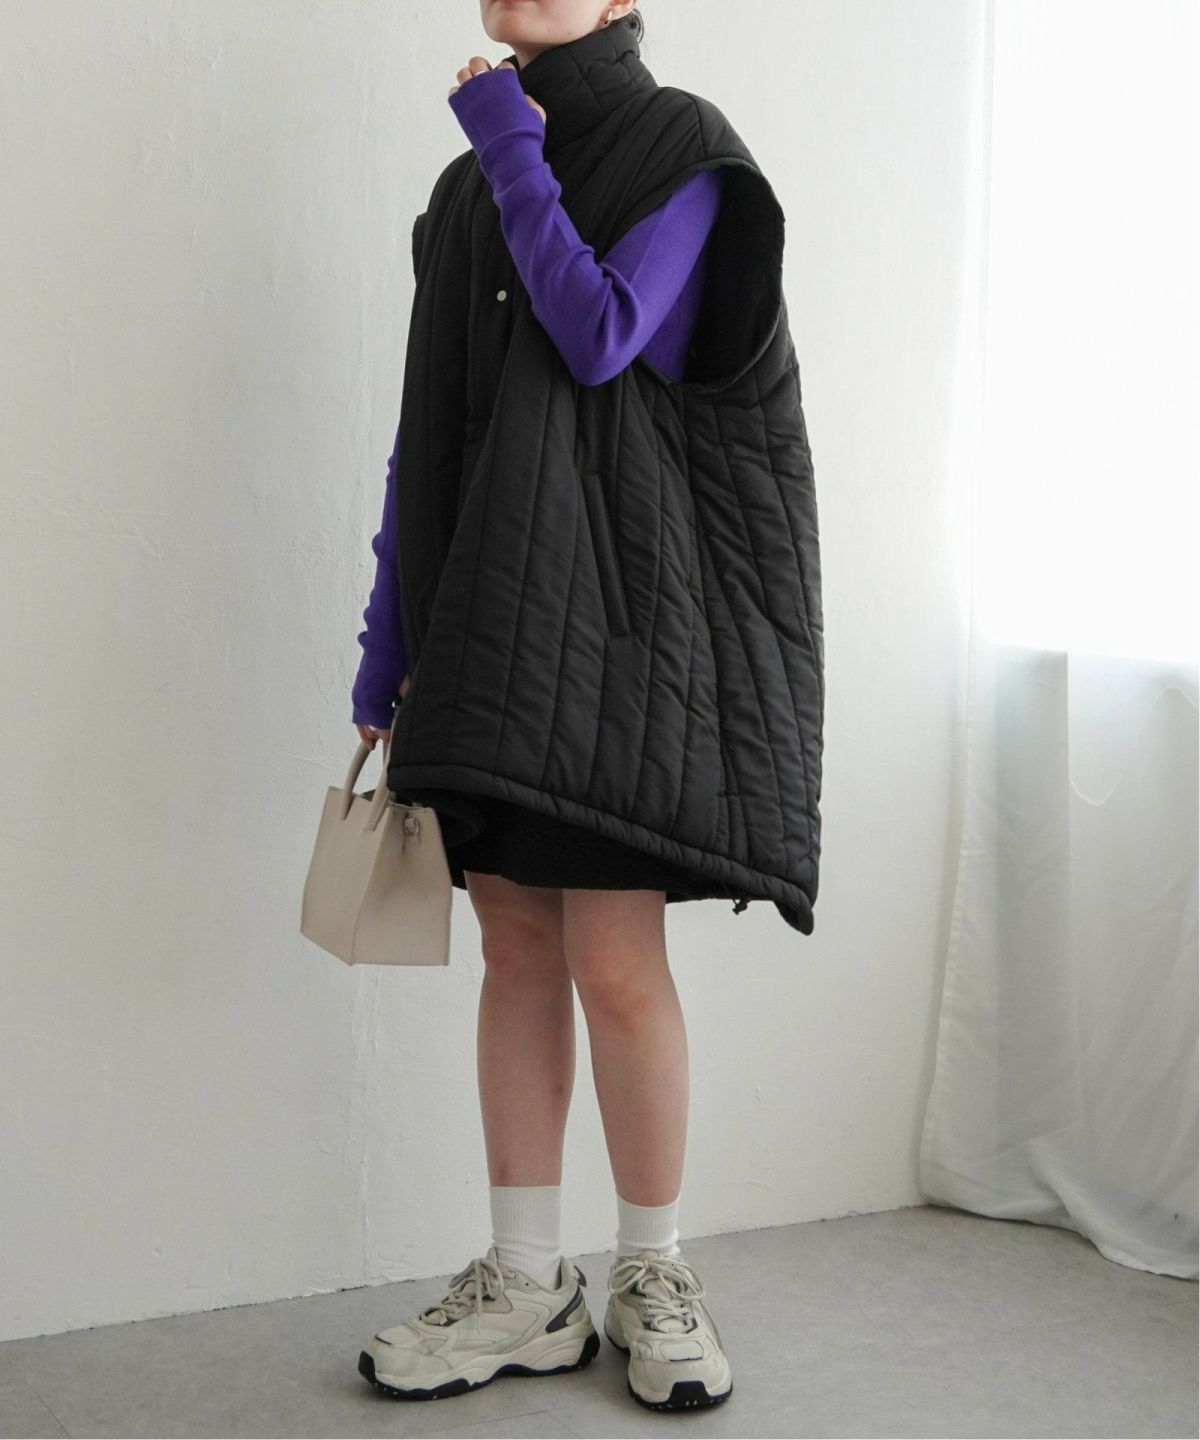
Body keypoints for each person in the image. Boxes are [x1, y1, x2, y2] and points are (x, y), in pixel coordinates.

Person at [352, 0, 823, 1413]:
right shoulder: (467, 188)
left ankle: (652, 1270)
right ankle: (526, 1282)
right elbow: (429, 432)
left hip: (619, 639)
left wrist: (509, 143)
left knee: (615, 961)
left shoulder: (685, 148)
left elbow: (605, 331)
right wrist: (386, 641)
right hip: (488, 631)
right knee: (512, 947)